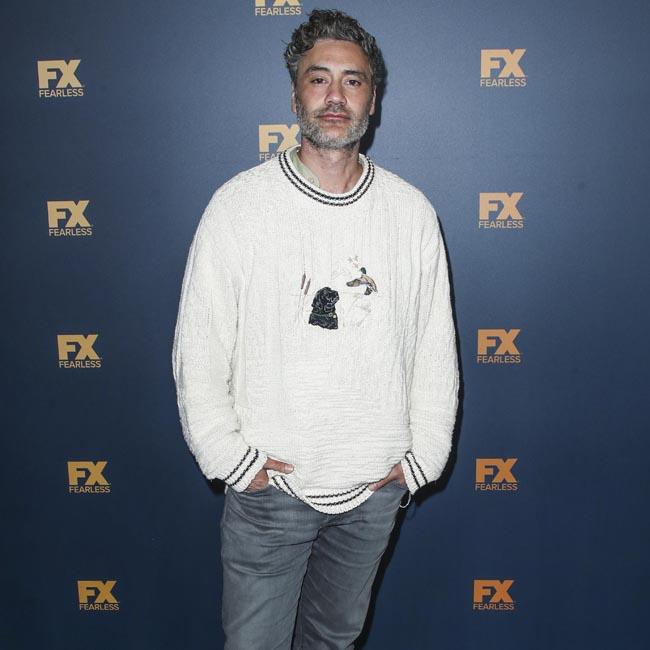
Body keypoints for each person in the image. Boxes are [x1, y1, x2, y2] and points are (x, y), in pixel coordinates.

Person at [172, 8, 459, 649]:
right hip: (269, 489)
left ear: (372, 100)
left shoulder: (411, 213)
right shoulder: (240, 206)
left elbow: (434, 347)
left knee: (334, 641)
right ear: (295, 94)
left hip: (372, 488)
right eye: (318, 78)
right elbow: (200, 344)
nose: (335, 96)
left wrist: (419, 458)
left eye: (353, 81)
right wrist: (230, 458)